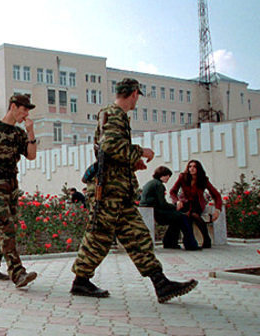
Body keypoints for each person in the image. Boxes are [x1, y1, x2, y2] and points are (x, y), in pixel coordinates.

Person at [70, 78, 197, 303]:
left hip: (118, 193)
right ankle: (81, 281)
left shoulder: (110, 114)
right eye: (138, 95)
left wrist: (131, 162)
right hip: (109, 192)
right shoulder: (116, 114)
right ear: (135, 93)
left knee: (137, 236)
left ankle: (161, 283)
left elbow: (108, 151)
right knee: (99, 236)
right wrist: (140, 152)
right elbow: (110, 148)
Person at [0, 94, 38, 288]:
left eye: (28, 110)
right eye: (24, 109)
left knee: (1, 227)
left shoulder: (19, 133)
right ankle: (17, 272)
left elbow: (31, 156)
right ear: (13, 106)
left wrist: (30, 132)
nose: (26, 113)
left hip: (11, 186)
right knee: (6, 227)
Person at [140, 166, 200, 250]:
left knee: (176, 218)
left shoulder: (152, 183)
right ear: (163, 175)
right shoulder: (159, 185)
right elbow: (162, 204)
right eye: (168, 176)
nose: (168, 178)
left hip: (151, 211)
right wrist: (175, 207)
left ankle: (169, 242)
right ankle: (190, 244)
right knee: (183, 218)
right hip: (157, 212)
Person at [169, 160, 223, 248]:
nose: (192, 169)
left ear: (199, 169)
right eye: (190, 166)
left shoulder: (203, 180)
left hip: (197, 204)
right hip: (185, 204)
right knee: (187, 216)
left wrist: (217, 209)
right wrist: (177, 201)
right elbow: (172, 191)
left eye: (194, 167)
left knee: (193, 215)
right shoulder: (183, 177)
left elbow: (216, 195)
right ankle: (194, 242)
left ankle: (204, 239)